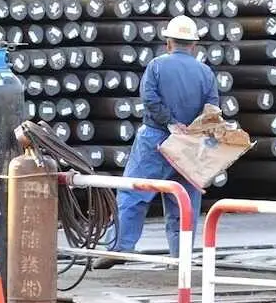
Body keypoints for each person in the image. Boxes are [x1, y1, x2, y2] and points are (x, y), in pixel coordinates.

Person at [93, 14, 220, 269]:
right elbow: (212, 110)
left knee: (134, 192)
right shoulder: (206, 72)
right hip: (190, 145)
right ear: (193, 45)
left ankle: (119, 248)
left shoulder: (157, 66)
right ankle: (180, 257)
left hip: (155, 138)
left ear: (169, 43)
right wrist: (191, 132)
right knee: (183, 201)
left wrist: (170, 122)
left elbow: (150, 100)